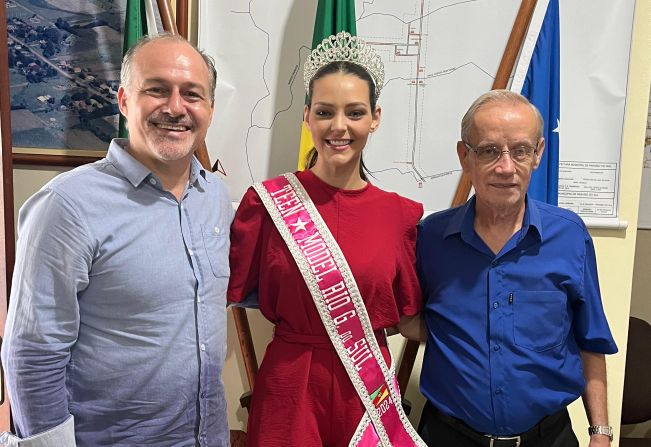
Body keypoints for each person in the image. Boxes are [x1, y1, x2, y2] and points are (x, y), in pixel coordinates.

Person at [1, 34, 233, 446]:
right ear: (125, 101)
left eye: (192, 94)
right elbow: (33, 354)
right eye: (157, 89)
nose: (175, 107)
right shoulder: (67, 205)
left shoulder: (214, 197)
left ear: (210, 109)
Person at [228, 31, 425, 446]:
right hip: (290, 388)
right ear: (307, 116)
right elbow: (231, 291)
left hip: (367, 390)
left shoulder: (400, 216)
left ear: (375, 117)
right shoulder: (265, 204)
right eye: (324, 112)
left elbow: (407, 315)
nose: (339, 126)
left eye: (355, 112)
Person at [416, 90, 618, 447]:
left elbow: (591, 340)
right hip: (448, 436)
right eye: (489, 151)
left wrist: (600, 433)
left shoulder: (569, 236)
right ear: (465, 156)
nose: (506, 167)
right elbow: (408, 318)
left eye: (521, 150)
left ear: (538, 154)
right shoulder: (430, 239)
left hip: (548, 438)